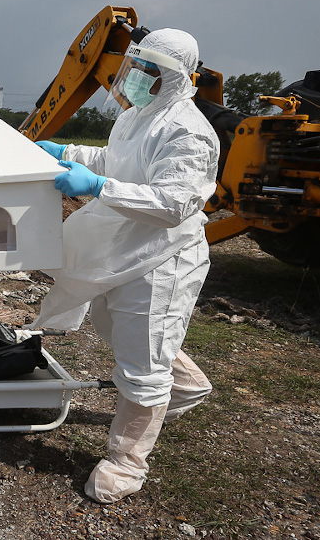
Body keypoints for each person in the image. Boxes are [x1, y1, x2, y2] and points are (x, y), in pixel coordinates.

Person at [32, 28, 219, 503]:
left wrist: (96, 188)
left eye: (150, 71)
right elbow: (116, 162)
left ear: (176, 77)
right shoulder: (135, 117)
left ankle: (126, 461)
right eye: (136, 66)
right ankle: (189, 386)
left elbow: (174, 203)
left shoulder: (189, 132)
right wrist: (68, 155)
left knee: (144, 358)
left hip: (163, 257)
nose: (137, 77)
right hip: (123, 247)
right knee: (115, 326)